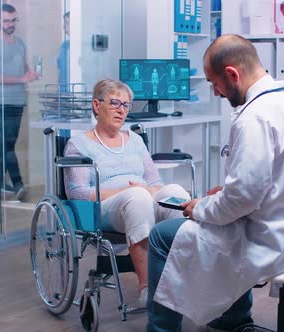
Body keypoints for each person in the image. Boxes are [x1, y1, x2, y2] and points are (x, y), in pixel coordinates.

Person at [145, 34, 284, 331]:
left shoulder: (254, 117)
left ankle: (162, 330)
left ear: (232, 74)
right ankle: (233, 320)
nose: (216, 92)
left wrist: (200, 208)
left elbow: (241, 201)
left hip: (273, 242)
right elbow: (283, 180)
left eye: (215, 83)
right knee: (226, 219)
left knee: (162, 236)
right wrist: (230, 193)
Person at [63, 78, 191, 306]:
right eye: (114, 103)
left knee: (175, 191)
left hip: (141, 198)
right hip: (104, 209)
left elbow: (154, 180)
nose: (121, 110)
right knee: (137, 197)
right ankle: (147, 288)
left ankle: (182, 282)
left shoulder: (135, 140)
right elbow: (79, 193)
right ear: (96, 105)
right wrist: (130, 189)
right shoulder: (78, 144)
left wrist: (153, 189)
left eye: (126, 105)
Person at [0, 4, 39, 201]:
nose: (10, 24)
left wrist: (31, 75)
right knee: (7, 145)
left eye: (13, 20)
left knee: (9, 143)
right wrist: (21, 80)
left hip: (17, 102)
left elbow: (24, 70)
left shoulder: (21, 44)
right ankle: (18, 183)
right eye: (6, 21)